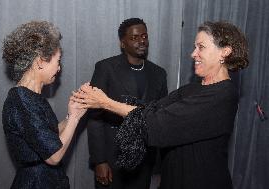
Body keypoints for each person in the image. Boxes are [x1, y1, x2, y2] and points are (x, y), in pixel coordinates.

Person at [77, 21, 249, 189]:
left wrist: (105, 102)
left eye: (201, 47)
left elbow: (157, 123)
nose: (193, 54)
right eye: (195, 47)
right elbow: (150, 110)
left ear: (224, 52)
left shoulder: (223, 94)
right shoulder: (190, 89)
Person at [2, 21, 86, 189]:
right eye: (58, 61)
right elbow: (54, 155)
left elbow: (50, 136)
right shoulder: (22, 100)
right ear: (40, 61)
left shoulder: (31, 97)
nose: (59, 68)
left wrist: (72, 113)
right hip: (36, 183)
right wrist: (75, 119)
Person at [86, 18, 168, 189]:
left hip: (145, 160)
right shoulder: (105, 68)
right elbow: (94, 118)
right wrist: (100, 160)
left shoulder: (159, 73)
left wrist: (159, 164)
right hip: (112, 156)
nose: (142, 41)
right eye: (134, 37)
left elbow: (161, 119)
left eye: (144, 36)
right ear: (123, 43)